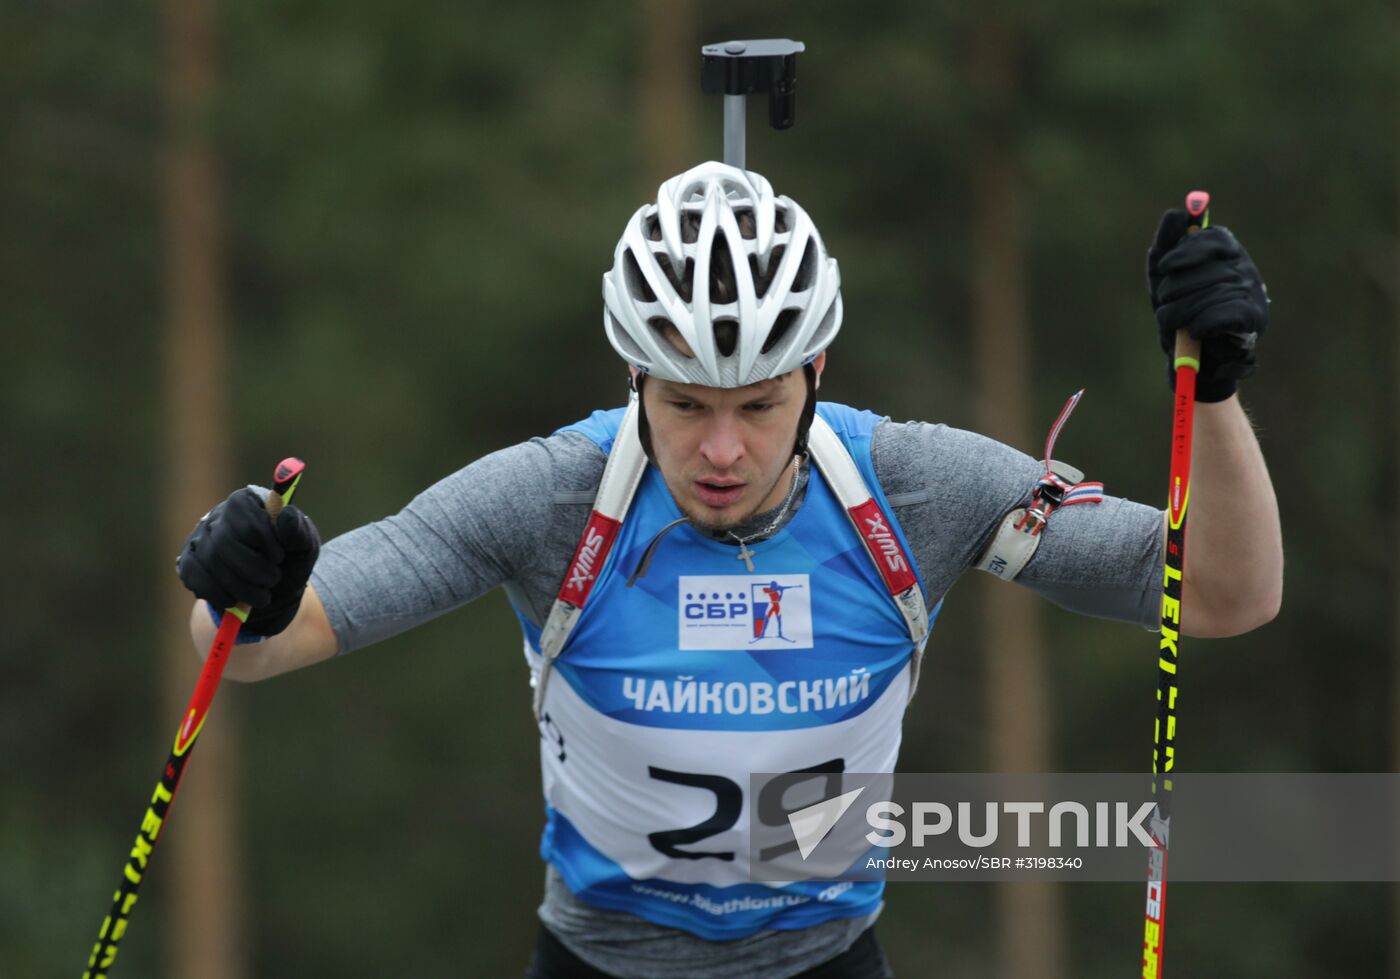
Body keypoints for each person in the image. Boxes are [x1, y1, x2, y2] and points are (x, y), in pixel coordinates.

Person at [175, 161, 1282, 978]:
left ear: (813, 374)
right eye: (684, 404)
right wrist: (241, 594)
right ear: (632, 376)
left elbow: (1226, 594)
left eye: (758, 406)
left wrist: (1216, 393)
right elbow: (268, 644)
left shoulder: (911, 488)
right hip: (598, 962)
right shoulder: (553, 499)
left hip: (827, 961)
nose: (718, 450)